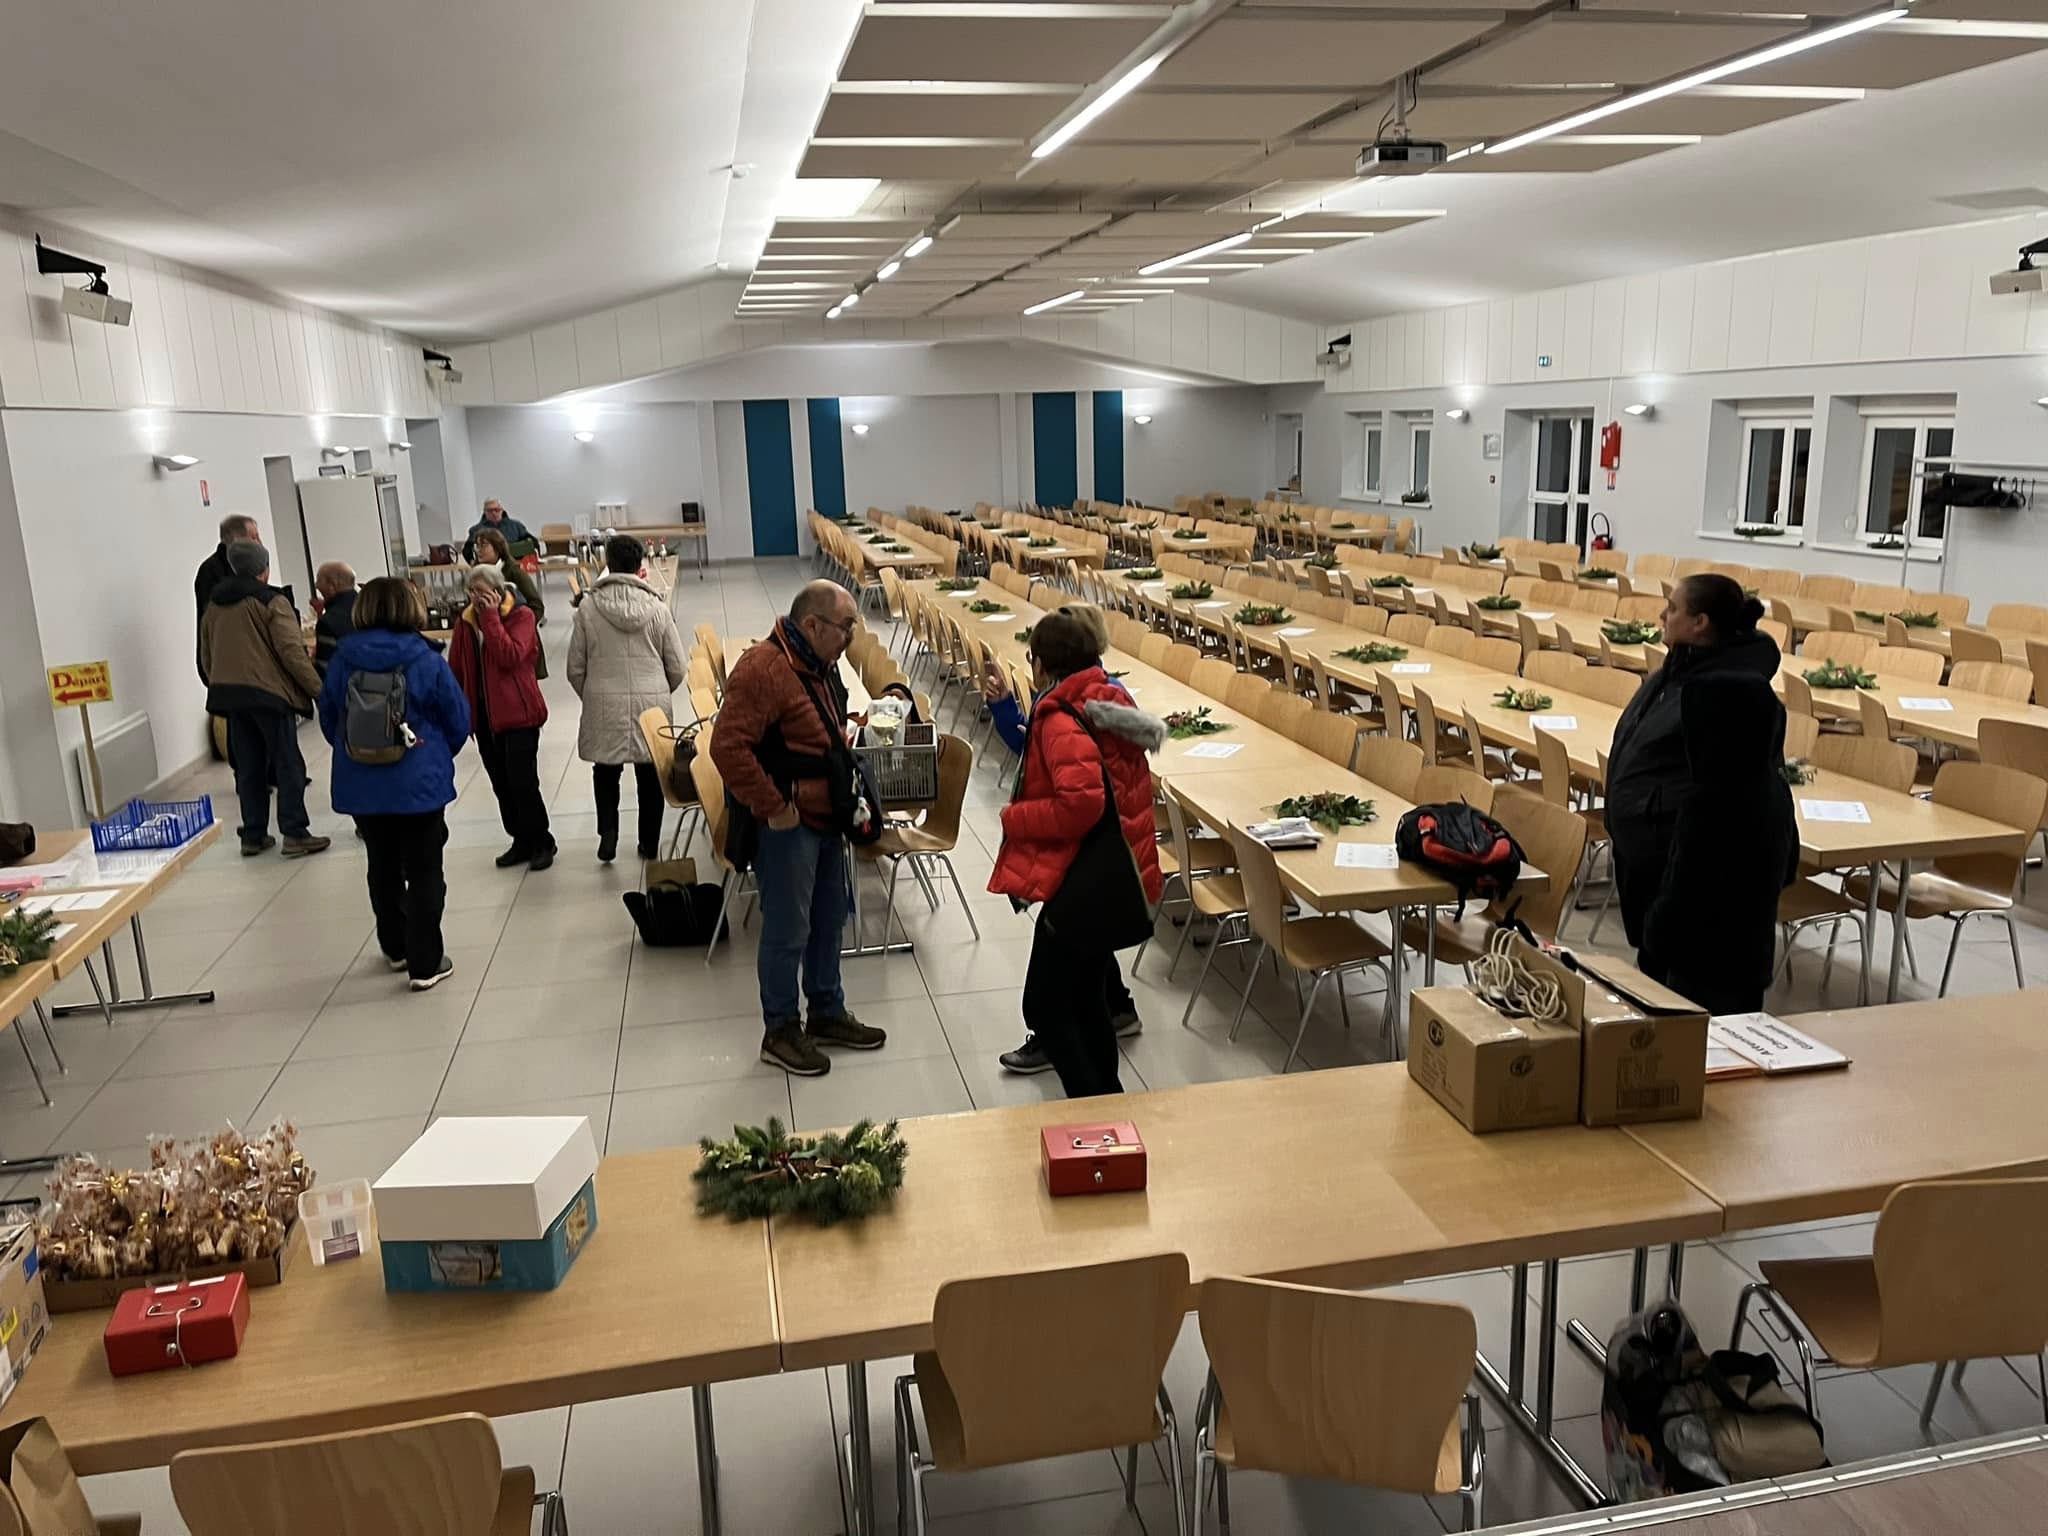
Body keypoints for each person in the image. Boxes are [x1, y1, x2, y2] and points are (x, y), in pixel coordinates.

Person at [711, 580, 888, 1077]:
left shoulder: (817, 662)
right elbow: (727, 747)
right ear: (812, 624)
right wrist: (773, 806)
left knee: (829, 919)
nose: (850, 637)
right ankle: (781, 1030)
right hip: (789, 824)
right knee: (788, 931)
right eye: (846, 627)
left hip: (826, 815)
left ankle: (826, 1012)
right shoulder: (764, 668)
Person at [988, 611, 1165, 1098]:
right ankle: (1106, 1101)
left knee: (1046, 1005)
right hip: (1117, 872)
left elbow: (1082, 803)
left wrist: (1016, 817)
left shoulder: (1061, 714)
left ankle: (1091, 1101)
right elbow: (1063, 763)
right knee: (1086, 999)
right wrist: (1005, 710)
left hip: (1085, 879)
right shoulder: (1105, 700)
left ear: (1043, 663)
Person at [1606, 572, 1794, 1011]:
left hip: (1690, 907)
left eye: (1673, 608)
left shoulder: (1727, 698)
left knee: (1690, 1021)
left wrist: (1663, 918)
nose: (1662, 614)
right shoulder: (1680, 673)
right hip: (1657, 881)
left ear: (1700, 622)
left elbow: (1715, 836)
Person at [317, 577, 470, 991]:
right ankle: (426, 962)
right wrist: (432, 756)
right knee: (424, 870)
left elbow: (329, 718)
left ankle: (396, 946)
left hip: (362, 784)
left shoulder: (344, 659)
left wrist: (360, 754)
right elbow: (457, 720)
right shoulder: (426, 659)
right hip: (418, 783)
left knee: (381, 865)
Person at [1638, 673, 1800, 1015]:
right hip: (1750, 959)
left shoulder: (1706, 800)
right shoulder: (1777, 791)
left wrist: (1651, 935)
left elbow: (1681, 891)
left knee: (1692, 1040)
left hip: (1696, 963)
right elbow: (1788, 870)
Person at [199, 540, 330, 858]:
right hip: (268, 696)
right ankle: (294, 832)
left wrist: (219, 682)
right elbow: (291, 653)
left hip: (230, 696)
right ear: (264, 569)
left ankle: (254, 834)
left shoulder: (214, 604)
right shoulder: (271, 601)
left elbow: (206, 654)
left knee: (249, 767)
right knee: (288, 764)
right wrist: (319, 690)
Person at [567, 533, 687, 863]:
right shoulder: (658, 608)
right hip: (651, 705)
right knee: (651, 774)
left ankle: (608, 835)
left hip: (603, 701)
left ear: (608, 563)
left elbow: (575, 668)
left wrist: (593, 695)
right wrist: (659, 691)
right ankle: (649, 842)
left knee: (605, 771)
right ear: (640, 565)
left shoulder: (588, 608)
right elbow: (678, 667)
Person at [447, 564, 555, 871]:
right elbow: (457, 666)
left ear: (498, 590)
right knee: (501, 783)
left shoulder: (521, 616)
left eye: (482, 592)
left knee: (523, 782)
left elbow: (510, 657)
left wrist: (492, 618)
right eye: (471, 592)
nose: (476, 598)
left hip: (519, 714)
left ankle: (541, 841)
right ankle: (520, 840)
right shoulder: (466, 621)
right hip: (484, 717)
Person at [194, 514, 259, 679]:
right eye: (254, 537)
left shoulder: (248, 565)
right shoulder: (211, 571)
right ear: (238, 540)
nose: (259, 542)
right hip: (226, 660)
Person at [471, 525, 547, 634]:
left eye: (484, 545)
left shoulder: (514, 571)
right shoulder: (476, 574)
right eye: (477, 546)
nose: (479, 550)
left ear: (497, 548)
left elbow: (537, 605)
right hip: (488, 631)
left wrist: (523, 627)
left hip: (517, 632)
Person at [312, 562, 357, 678]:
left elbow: (325, 671)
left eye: (319, 580)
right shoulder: (368, 610)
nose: (316, 586)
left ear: (332, 585)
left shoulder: (328, 623)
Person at [463, 498, 531, 562]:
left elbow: (530, 543)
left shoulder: (516, 526)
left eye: (497, 510)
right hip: (488, 566)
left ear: (502, 510)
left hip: (515, 564)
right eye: (490, 511)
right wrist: (472, 563)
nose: (494, 513)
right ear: (485, 512)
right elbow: (467, 551)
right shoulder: (476, 530)